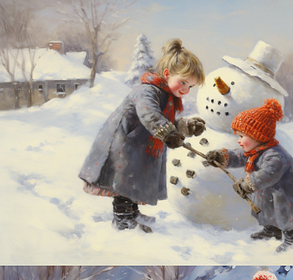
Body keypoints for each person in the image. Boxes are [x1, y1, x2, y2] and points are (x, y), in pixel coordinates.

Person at [79, 38, 206, 233]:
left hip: (137, 145)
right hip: (123, 143)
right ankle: (122, 219)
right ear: (167, 74)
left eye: (190, 87)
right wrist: (168, 133)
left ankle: (132, 212)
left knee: (134, 180)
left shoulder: (167, 97)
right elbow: (149, 114)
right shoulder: (147, 91)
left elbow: (166, 121)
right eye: (183, 82)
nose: (185, 90)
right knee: (124, 181)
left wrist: (185, 127)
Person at [205, 99, 293, 252]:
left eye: (242, 136)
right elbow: (241, 157)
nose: (239, 140)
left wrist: (248, 184)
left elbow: (268, 174)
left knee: (288, 216)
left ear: (257, 136)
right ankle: (271, 230)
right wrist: (222, 157)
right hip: (273, 194)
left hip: (290, 196)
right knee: (268, 211)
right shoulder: (258, 150)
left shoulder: (275, 155)